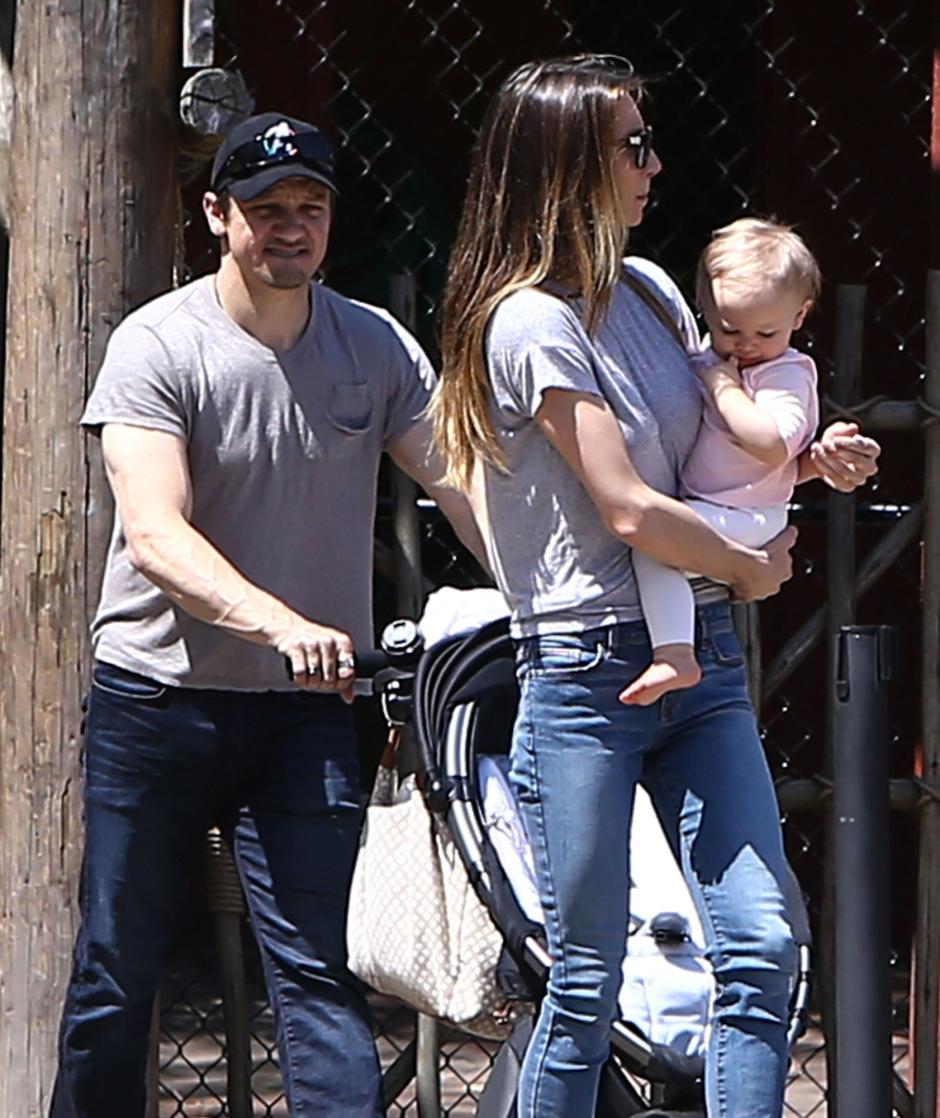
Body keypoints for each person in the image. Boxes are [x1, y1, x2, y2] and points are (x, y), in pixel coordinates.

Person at [430, 56, 879, 1118]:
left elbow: (715, 456)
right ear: (565, 164)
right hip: (585, 671)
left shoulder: (649, 290)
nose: (654, 164)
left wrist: (811, 461)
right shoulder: (527, 321)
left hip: (705, 659)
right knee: (584, 982)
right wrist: (749, 564)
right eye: (631, 145)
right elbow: (626, 504)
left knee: (763, 949)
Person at [51, 111, 485, 1118]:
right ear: (217, 215)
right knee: (118, 964)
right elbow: (155, 533)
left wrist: (559, 590)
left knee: (322, 970)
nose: (290, 227)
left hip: (305, 713)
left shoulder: (372, 344)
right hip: (158, 702)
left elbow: (463, 484)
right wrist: (278, 621)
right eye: (266, 208)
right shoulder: (158, 344)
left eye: (311, 207)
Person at [624, 217, 849, 705]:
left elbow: (772, 444)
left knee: (655, 546)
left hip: (750, 515)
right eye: (730, 329)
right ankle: (675, 652)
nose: (746, 345)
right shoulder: (710, 354)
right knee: (661, 548)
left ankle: (676, 655)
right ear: (702, 307)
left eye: (766, 331)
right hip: (719, 505)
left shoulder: (784, 373)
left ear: (800, 316)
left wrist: (723, 386)